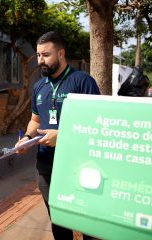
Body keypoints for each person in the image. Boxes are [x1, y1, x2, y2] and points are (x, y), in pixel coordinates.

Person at [15, 31, 100, 240]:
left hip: (77, 165)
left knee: (85, 219)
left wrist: (62, 136)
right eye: (38, 55)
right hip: (45, 164)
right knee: (58, 220)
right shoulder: (39, 86)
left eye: (46, 55)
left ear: (61, 54)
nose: (40, 60)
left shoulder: (82, 81)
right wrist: (26, 137)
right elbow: (35, 120)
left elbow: (96, 123)